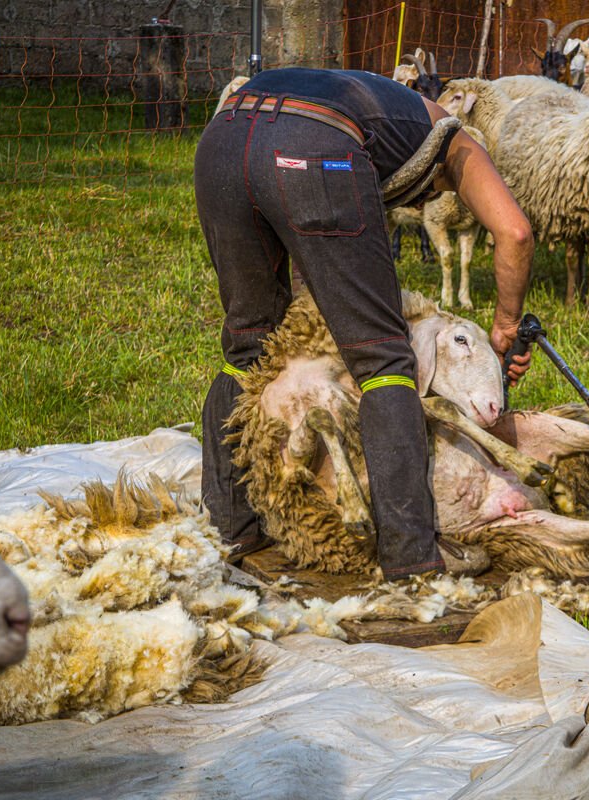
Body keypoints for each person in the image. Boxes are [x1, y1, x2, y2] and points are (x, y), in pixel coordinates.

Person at [194, 67, 533, 579]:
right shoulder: (458, 142)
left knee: (249, 346)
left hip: (222, 139)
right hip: (313, 145)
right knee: (383, 357)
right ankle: (411, 557)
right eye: (435, 192)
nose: (423, 203)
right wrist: (506, 321)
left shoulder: (374, 104)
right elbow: (515, 232)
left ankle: (231, 527)